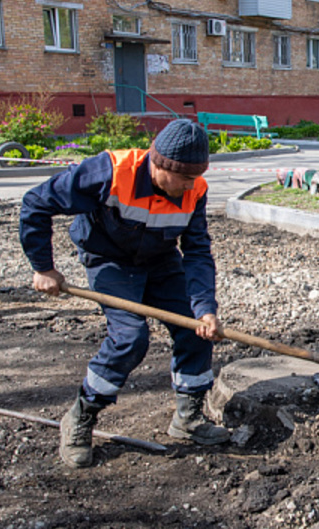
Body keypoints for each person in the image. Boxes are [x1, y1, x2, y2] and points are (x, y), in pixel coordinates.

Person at [19, 118, 230, 469]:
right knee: (130, 338)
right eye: (184, 178)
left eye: (195, 178)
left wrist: (205, 308)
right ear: (159, 164)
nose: (190, 186)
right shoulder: (109, 172)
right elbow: (37, 202)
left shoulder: (195, 189)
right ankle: (81, 416)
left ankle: (188, 418)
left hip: (161, 260)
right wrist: (42, 267)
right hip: (109, 261)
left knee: (196, 329)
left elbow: (196, 251)